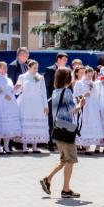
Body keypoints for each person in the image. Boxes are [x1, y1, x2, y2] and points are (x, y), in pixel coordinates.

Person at [40, 66, 85, 199]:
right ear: (67, 79)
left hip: (57, 129)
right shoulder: (67, 92)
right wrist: (80, 104)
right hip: (66, 130)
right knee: (70, 160)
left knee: (63, 160)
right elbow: (72, 110)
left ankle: (47, 179)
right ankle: (66, 189)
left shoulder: (55, 92)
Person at [16, 60, 49, 152]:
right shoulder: (22, 77)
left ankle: (35, 146)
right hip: (25, 102)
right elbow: (17, 92)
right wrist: (17, 88)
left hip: (37, 102)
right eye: (34, 68)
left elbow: (43, 92)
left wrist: (46, 105)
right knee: (26, 122)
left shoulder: (39, 77)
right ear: (29, 67)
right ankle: (24, 146)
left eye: (37, 68)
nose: (36, 70)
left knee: (36, 122)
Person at [0, 62, 21, 154]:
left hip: (10, 105)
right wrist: (4, 96)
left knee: (8, 126)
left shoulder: (9, 80)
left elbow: (12, 91)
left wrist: (16, 89)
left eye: (6, 68)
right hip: (0, 105)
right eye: (3, 68)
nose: (5, 69)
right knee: (0, 126)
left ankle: (6, 146)